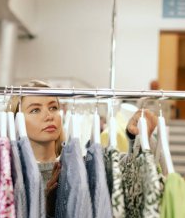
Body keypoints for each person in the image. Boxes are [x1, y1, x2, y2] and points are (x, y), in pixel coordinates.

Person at [8, 80, 160, 207]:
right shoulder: (11, 175)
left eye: (53, 107)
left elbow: (131, 173)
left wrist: (135, 136)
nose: (49, 116)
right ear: (16, 120)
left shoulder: (81, 166)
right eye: (35, 110)